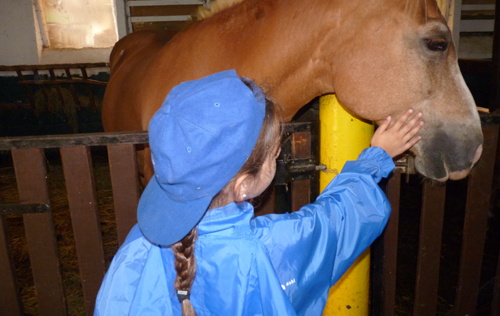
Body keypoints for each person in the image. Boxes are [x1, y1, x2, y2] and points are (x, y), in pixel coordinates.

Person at [94, 69, 423, 316]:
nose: (278, 158)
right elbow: (335, 224)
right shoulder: (266, 249)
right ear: (243, 186)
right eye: (275, 155)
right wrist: (377, 156)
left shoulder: (135, 251)